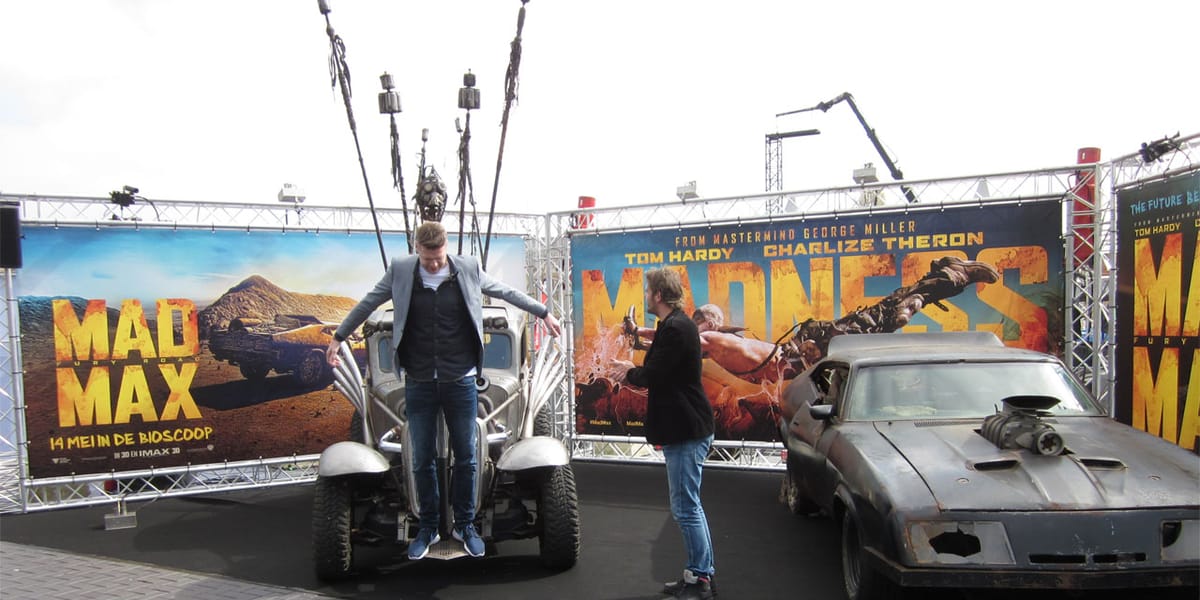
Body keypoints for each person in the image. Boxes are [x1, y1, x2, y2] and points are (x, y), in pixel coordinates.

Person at [325, 221, 562, 561]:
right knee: (421, 457)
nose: (434, 264)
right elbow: (367, 303)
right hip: (419, 380)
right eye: (427, 258)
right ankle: (428, 526)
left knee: (466, 455)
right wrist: (339, 336)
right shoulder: (401, 271)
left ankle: (465, 525)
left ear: (445, 247)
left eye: (438, 257)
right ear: (416, 249)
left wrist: (544, 312)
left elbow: (506, 292)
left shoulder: (467, 268)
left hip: (461, 378)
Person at [611, 268, 716, 600]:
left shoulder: (676, 329)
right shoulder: (674, 326)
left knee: (686, 507)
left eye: (647, 291)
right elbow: (660, 365)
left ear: (658, 294)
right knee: (688, 506)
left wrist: (627, 372)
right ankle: (699, 574)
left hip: (686, 430)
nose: (645, 296)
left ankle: (700, 580)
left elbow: (654, 373)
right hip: (684, 428)